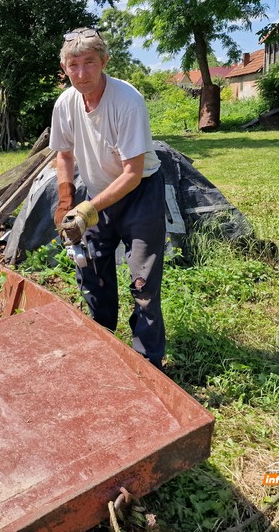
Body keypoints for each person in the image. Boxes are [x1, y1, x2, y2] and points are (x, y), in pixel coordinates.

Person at [49, 27, 166, 369]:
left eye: (89, 63)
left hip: (140, 194)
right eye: (74, 65)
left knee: (143, 285)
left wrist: (87, 209)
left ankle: (149, 364)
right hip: (98, 194)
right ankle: (102, 349)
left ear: (105, 62)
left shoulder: (127, 102)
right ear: (64, 67)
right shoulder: (66, 103)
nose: (81, 73)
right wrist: (65, 198)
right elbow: (64, 155)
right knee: (93, 274)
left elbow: (132, 172)